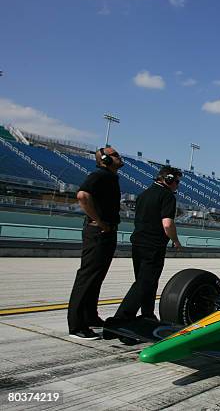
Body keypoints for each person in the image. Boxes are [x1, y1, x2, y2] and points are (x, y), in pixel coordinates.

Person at [68, 146, 124, 340]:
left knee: (96, 277)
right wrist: (98, 221)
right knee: (87, 277)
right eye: (115, 155)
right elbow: (82, 195)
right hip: (98, 231)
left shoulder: (110, 177)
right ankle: (76, 326)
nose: (119, 157)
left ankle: (90, 316)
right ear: (106, 160)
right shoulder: (100, 175)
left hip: (105, 232)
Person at [114, 166, 183, 322]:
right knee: (144, 283)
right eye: (177, 181)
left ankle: (147, 314)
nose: (178, 185)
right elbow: (167, 224)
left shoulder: (143, 194)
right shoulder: (167, 196)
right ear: (169, 179)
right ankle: (121, 319)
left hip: (138, 243)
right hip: (153, 246)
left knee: (147, 282)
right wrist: (176, 240)